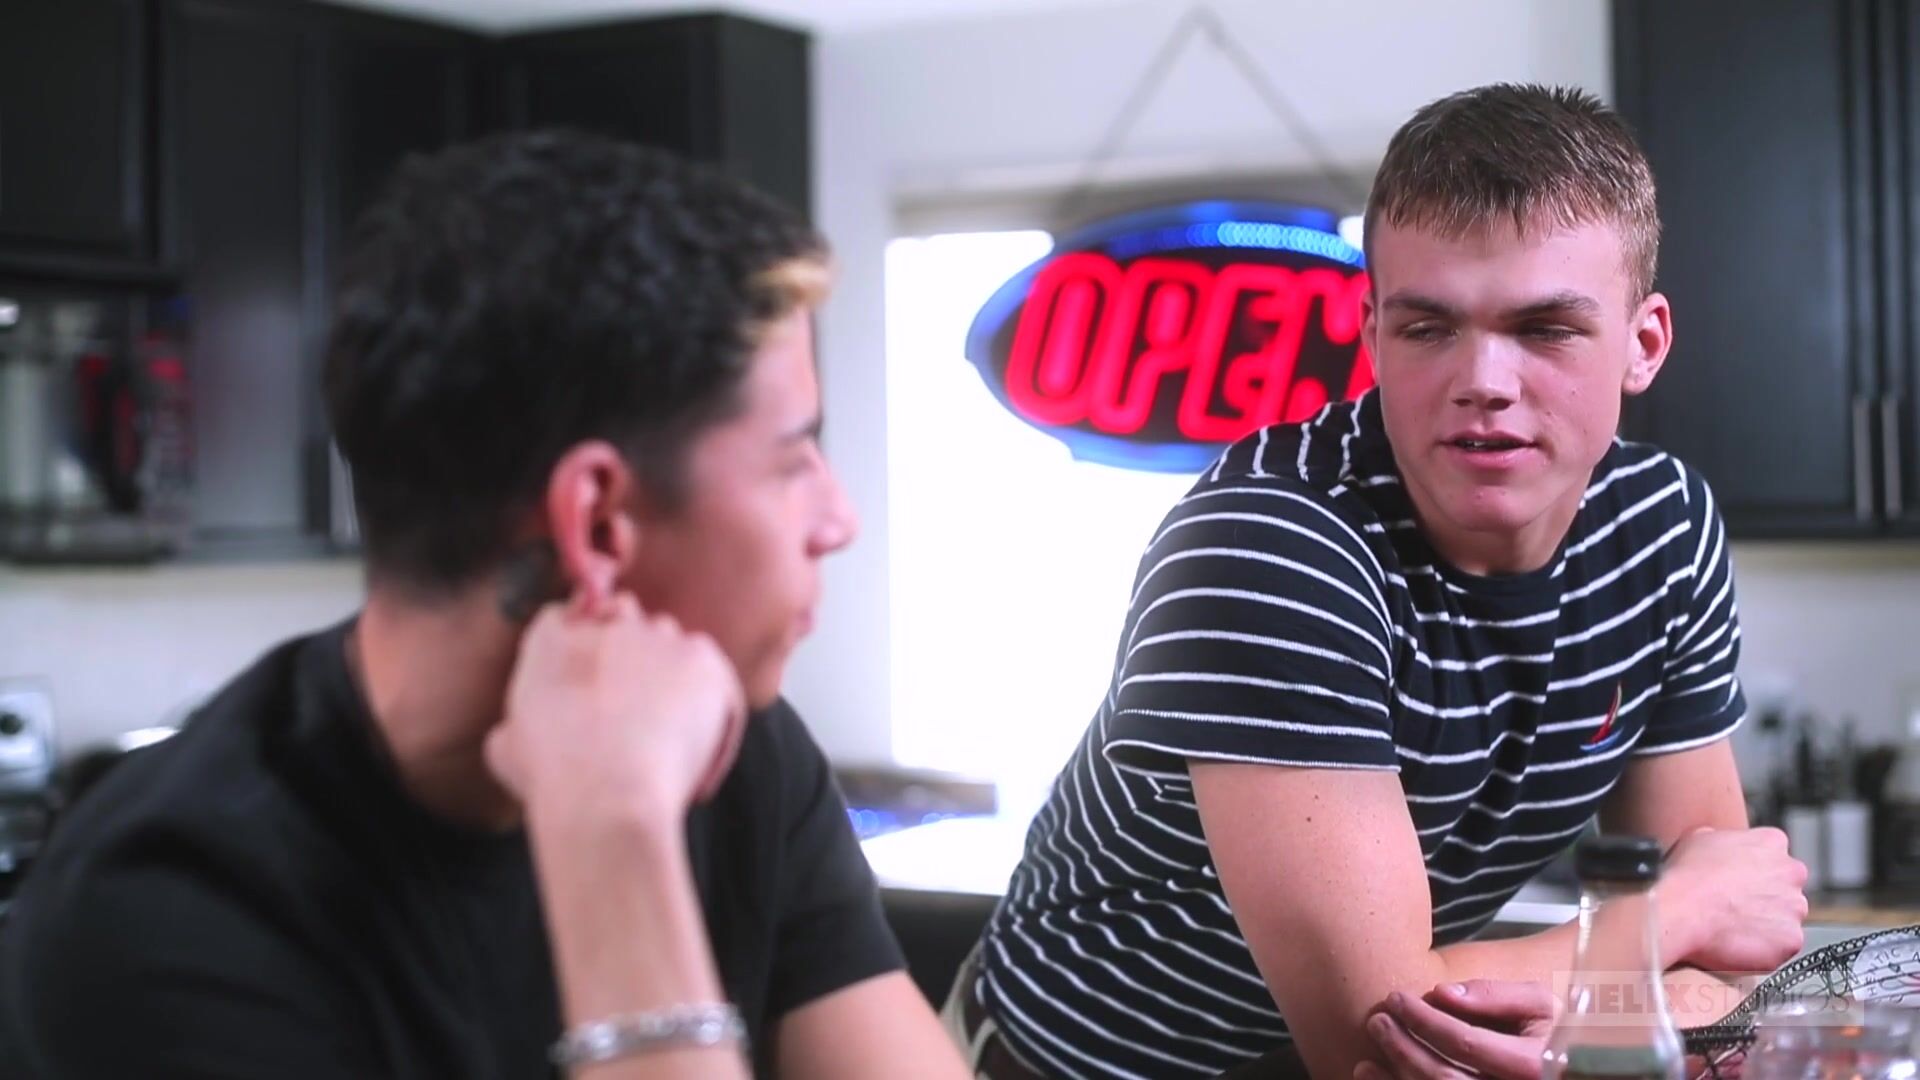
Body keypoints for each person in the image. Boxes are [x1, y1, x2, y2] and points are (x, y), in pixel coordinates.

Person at [0, 130, 969, 1080]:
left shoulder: (744, 756)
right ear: (598, 525)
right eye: (794, 458)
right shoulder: (168, 919)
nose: (838, 519)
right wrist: (617, 831)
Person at [947, 84, 1809, 1079]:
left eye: (1545, 328)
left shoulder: (1661, 524)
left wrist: (1660, 956)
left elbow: (1732, 963)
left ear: (1643, 344)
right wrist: (1667, 916)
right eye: (1428, 328)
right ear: (1371, 336)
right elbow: (1378, 1032)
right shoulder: (1267, 547)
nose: (1484, 381)